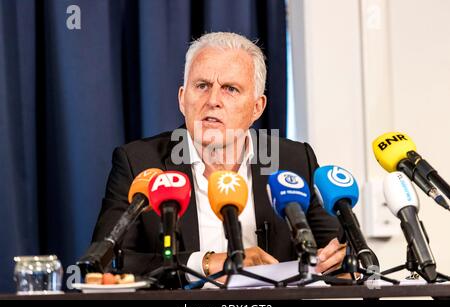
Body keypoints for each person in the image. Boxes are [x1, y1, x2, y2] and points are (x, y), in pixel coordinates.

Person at [91, 32, 345, 284]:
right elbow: (107, 263)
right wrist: (207, 262)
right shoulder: (139, 162)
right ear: (182, 98)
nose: (213, 100)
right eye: (202, 86)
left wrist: (337, 260)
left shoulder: (293, 160)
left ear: (257, 107)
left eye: (230, 89)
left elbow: (347, 255)